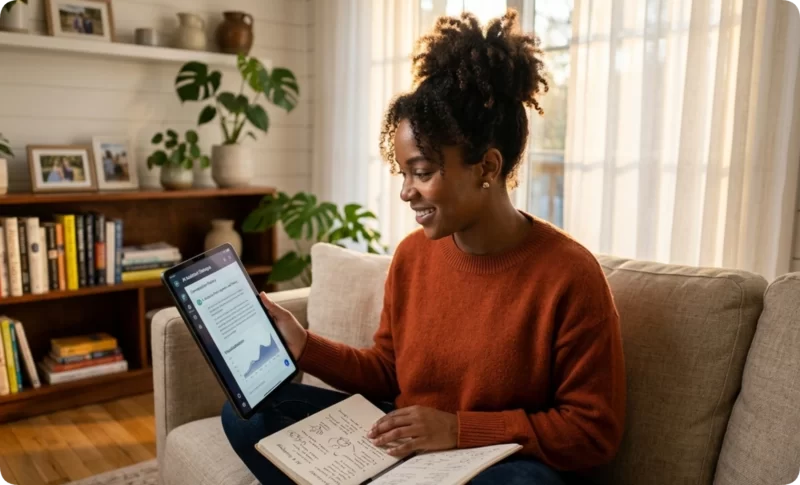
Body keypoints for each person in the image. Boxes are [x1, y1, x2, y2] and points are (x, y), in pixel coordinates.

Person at [221, 9, 626, 485]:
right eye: (403, 172)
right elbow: (387, 372)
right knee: (248, 415)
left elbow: (592, 431)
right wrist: (305, 346)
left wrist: (458, 429)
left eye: (424, 172)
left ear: (487, 168)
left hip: (492, 461)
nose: (406, 192)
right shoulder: (413, 255)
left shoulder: (569, 275)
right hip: (407, 447)